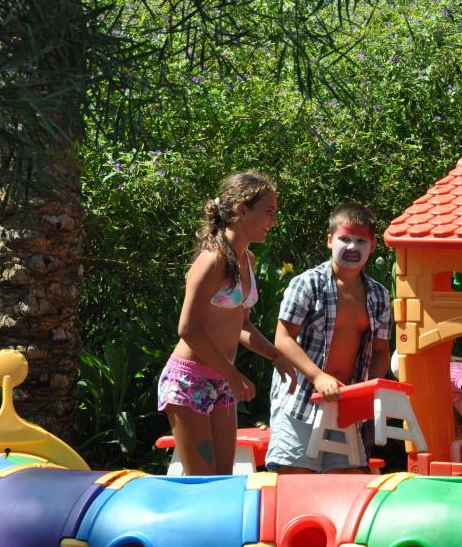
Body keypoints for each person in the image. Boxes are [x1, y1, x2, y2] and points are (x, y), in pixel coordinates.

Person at [157, 170, 295, 475]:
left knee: (223, 480)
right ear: (242, 210)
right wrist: (232, 374)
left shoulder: (247, 260)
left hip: (220, 382)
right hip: (189, 380)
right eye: (268, 211)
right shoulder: (213, 260)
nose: (273, 221)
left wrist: (275, 355)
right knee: (203, 485)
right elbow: (187, 329)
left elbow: (242, 325)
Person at [264, 202, 392, 473]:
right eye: (345, 239)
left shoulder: (379, 295)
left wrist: (367, 391)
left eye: (361, 241)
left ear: (373, 246)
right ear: (330, 240)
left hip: (346, 404)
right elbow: (283, 338)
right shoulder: (307, 283)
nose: (352, 247)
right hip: (300, 399)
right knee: (293, 477)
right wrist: (317, 376)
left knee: (346, 480)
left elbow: (381, 350)